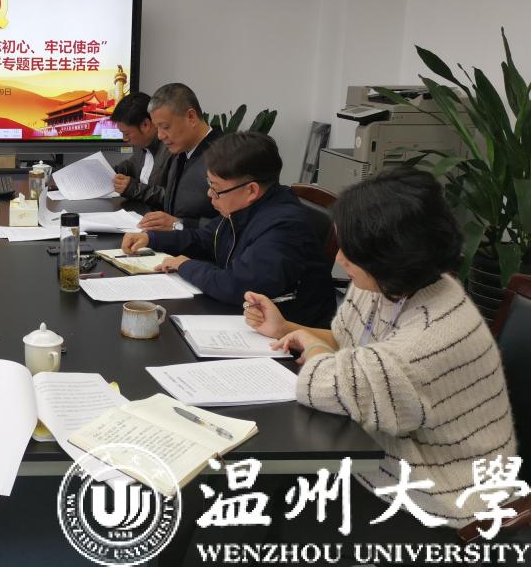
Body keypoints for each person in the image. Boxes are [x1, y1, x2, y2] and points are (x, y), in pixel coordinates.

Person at [243, 166, 516, 531]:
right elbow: (349, 345)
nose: (339, 259)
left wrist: (316, 352)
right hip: (379, 454)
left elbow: (328, 385)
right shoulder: (387, 284)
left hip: (437, 499)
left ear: (392, 257)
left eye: (351, 253)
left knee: (268, 516)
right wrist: (287, 328)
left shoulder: (434, 335)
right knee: (264, 499)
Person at [122, 132, 335, 326]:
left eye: (216, 188)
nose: (210, 195)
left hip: (290, 337)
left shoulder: (284, 227)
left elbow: (237, 285)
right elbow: (206, 238)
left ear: (251, 190)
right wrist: (152, 238)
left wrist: (185, 265)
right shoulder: (243, 207)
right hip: (247, 317)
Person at [137, 82, 220, 231]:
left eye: (165, 127)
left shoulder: (225, 157)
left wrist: (179, 225)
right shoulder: (180, 151)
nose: (160, 136)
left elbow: (233, 227)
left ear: (191, 117)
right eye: (158, 128)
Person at [110, 92, 172, 209]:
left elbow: (174, 199)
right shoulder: (141, 144)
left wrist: (134, 189)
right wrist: (113, 171)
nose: (124, 139)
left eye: (127, 133)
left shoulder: (172, 148)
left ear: (145, 125)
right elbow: (134, 164)